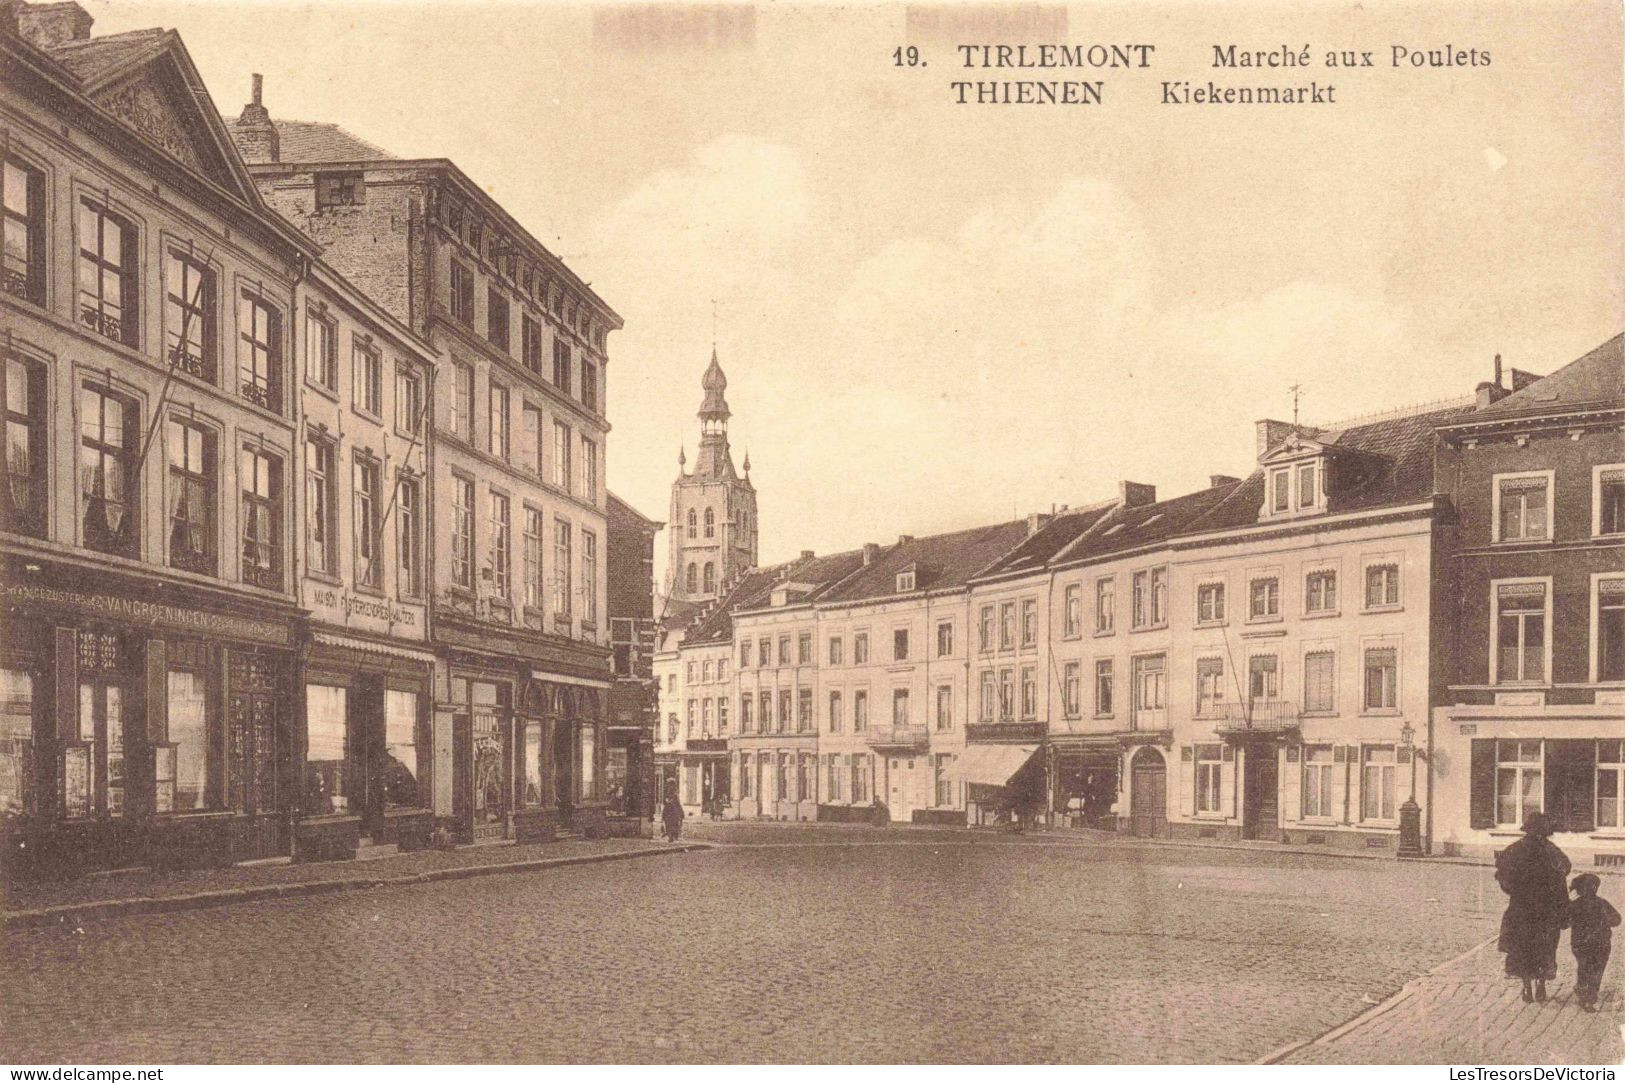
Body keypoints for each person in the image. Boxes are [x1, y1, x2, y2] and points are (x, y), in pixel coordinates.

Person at [1495, 811, 1572, 1003]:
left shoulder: (1515, 850)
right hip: (1546, 910)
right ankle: (1540, 985)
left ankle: (1527, 987)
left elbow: (1503, 876)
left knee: (1523, 947)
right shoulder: (1551, 850)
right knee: (1545, 947)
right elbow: (1563, 872)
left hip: (1522, 908)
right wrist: (1562, 907)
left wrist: (1515, 890)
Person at [1564, 873, 1621, 1012]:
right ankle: (1589, 996)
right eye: (1590, 886)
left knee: (1587, 968)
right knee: (1595, 970)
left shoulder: (1575, 905)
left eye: (1593, 886)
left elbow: (1563, 922)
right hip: (1597, 944)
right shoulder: (1602, 903)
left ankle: (1586, 995)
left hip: (1585, 944)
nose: (1592, 889)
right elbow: (1616, 919)